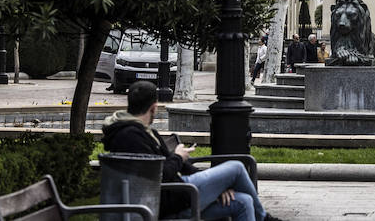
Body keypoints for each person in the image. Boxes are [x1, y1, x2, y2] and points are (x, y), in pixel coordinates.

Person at [102, 81, 286, 221]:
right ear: (154, 107)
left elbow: (173, 166)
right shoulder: (130, 137)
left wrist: (218, 185)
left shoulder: (143, 131)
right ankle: (265, 219)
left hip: (177, 192)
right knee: (237, 167)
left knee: (244, 202)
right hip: (170, 199)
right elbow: (158, 176)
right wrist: (178, 157)